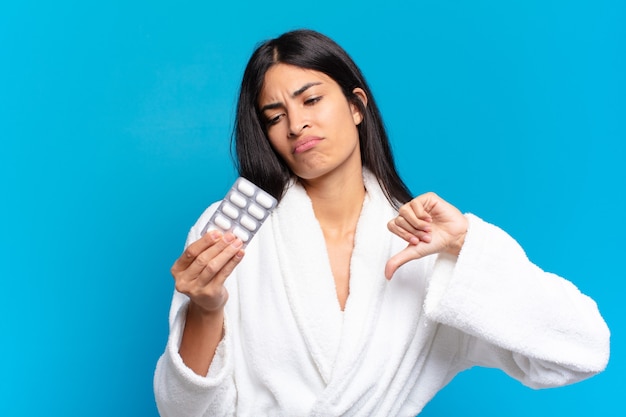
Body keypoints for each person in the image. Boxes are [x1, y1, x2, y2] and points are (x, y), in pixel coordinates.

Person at [154, 29, 610, 416]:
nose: (296, 125)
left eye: (311, 99)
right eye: (275, 117)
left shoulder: (427, 248)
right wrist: (206, 308)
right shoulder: (230, 235)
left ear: (356, 106)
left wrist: (466, 246)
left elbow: (581, 350)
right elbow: (184, 411)